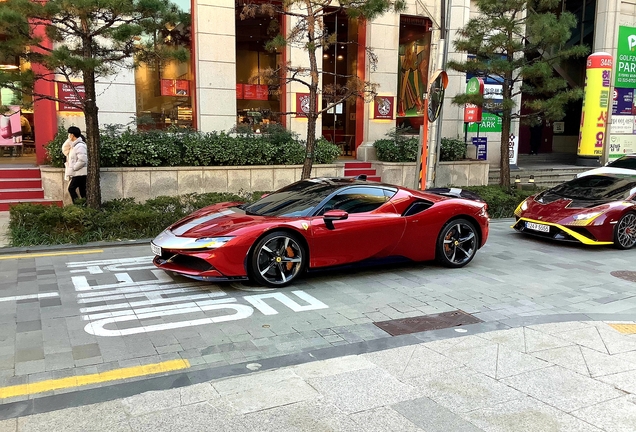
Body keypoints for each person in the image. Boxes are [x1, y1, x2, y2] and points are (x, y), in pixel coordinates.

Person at [62, 126, 88, 203]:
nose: (68, 136)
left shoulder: (80, 146)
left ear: (72, 135)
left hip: (80, 173)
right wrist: (69, 141)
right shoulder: (74, 146)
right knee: (82, 190)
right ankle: (84, 205)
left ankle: (78, 205)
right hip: (79, 173)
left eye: (69, 134)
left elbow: (83, 160)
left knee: (71, 188)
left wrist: (74, 168)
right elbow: (64, 149)